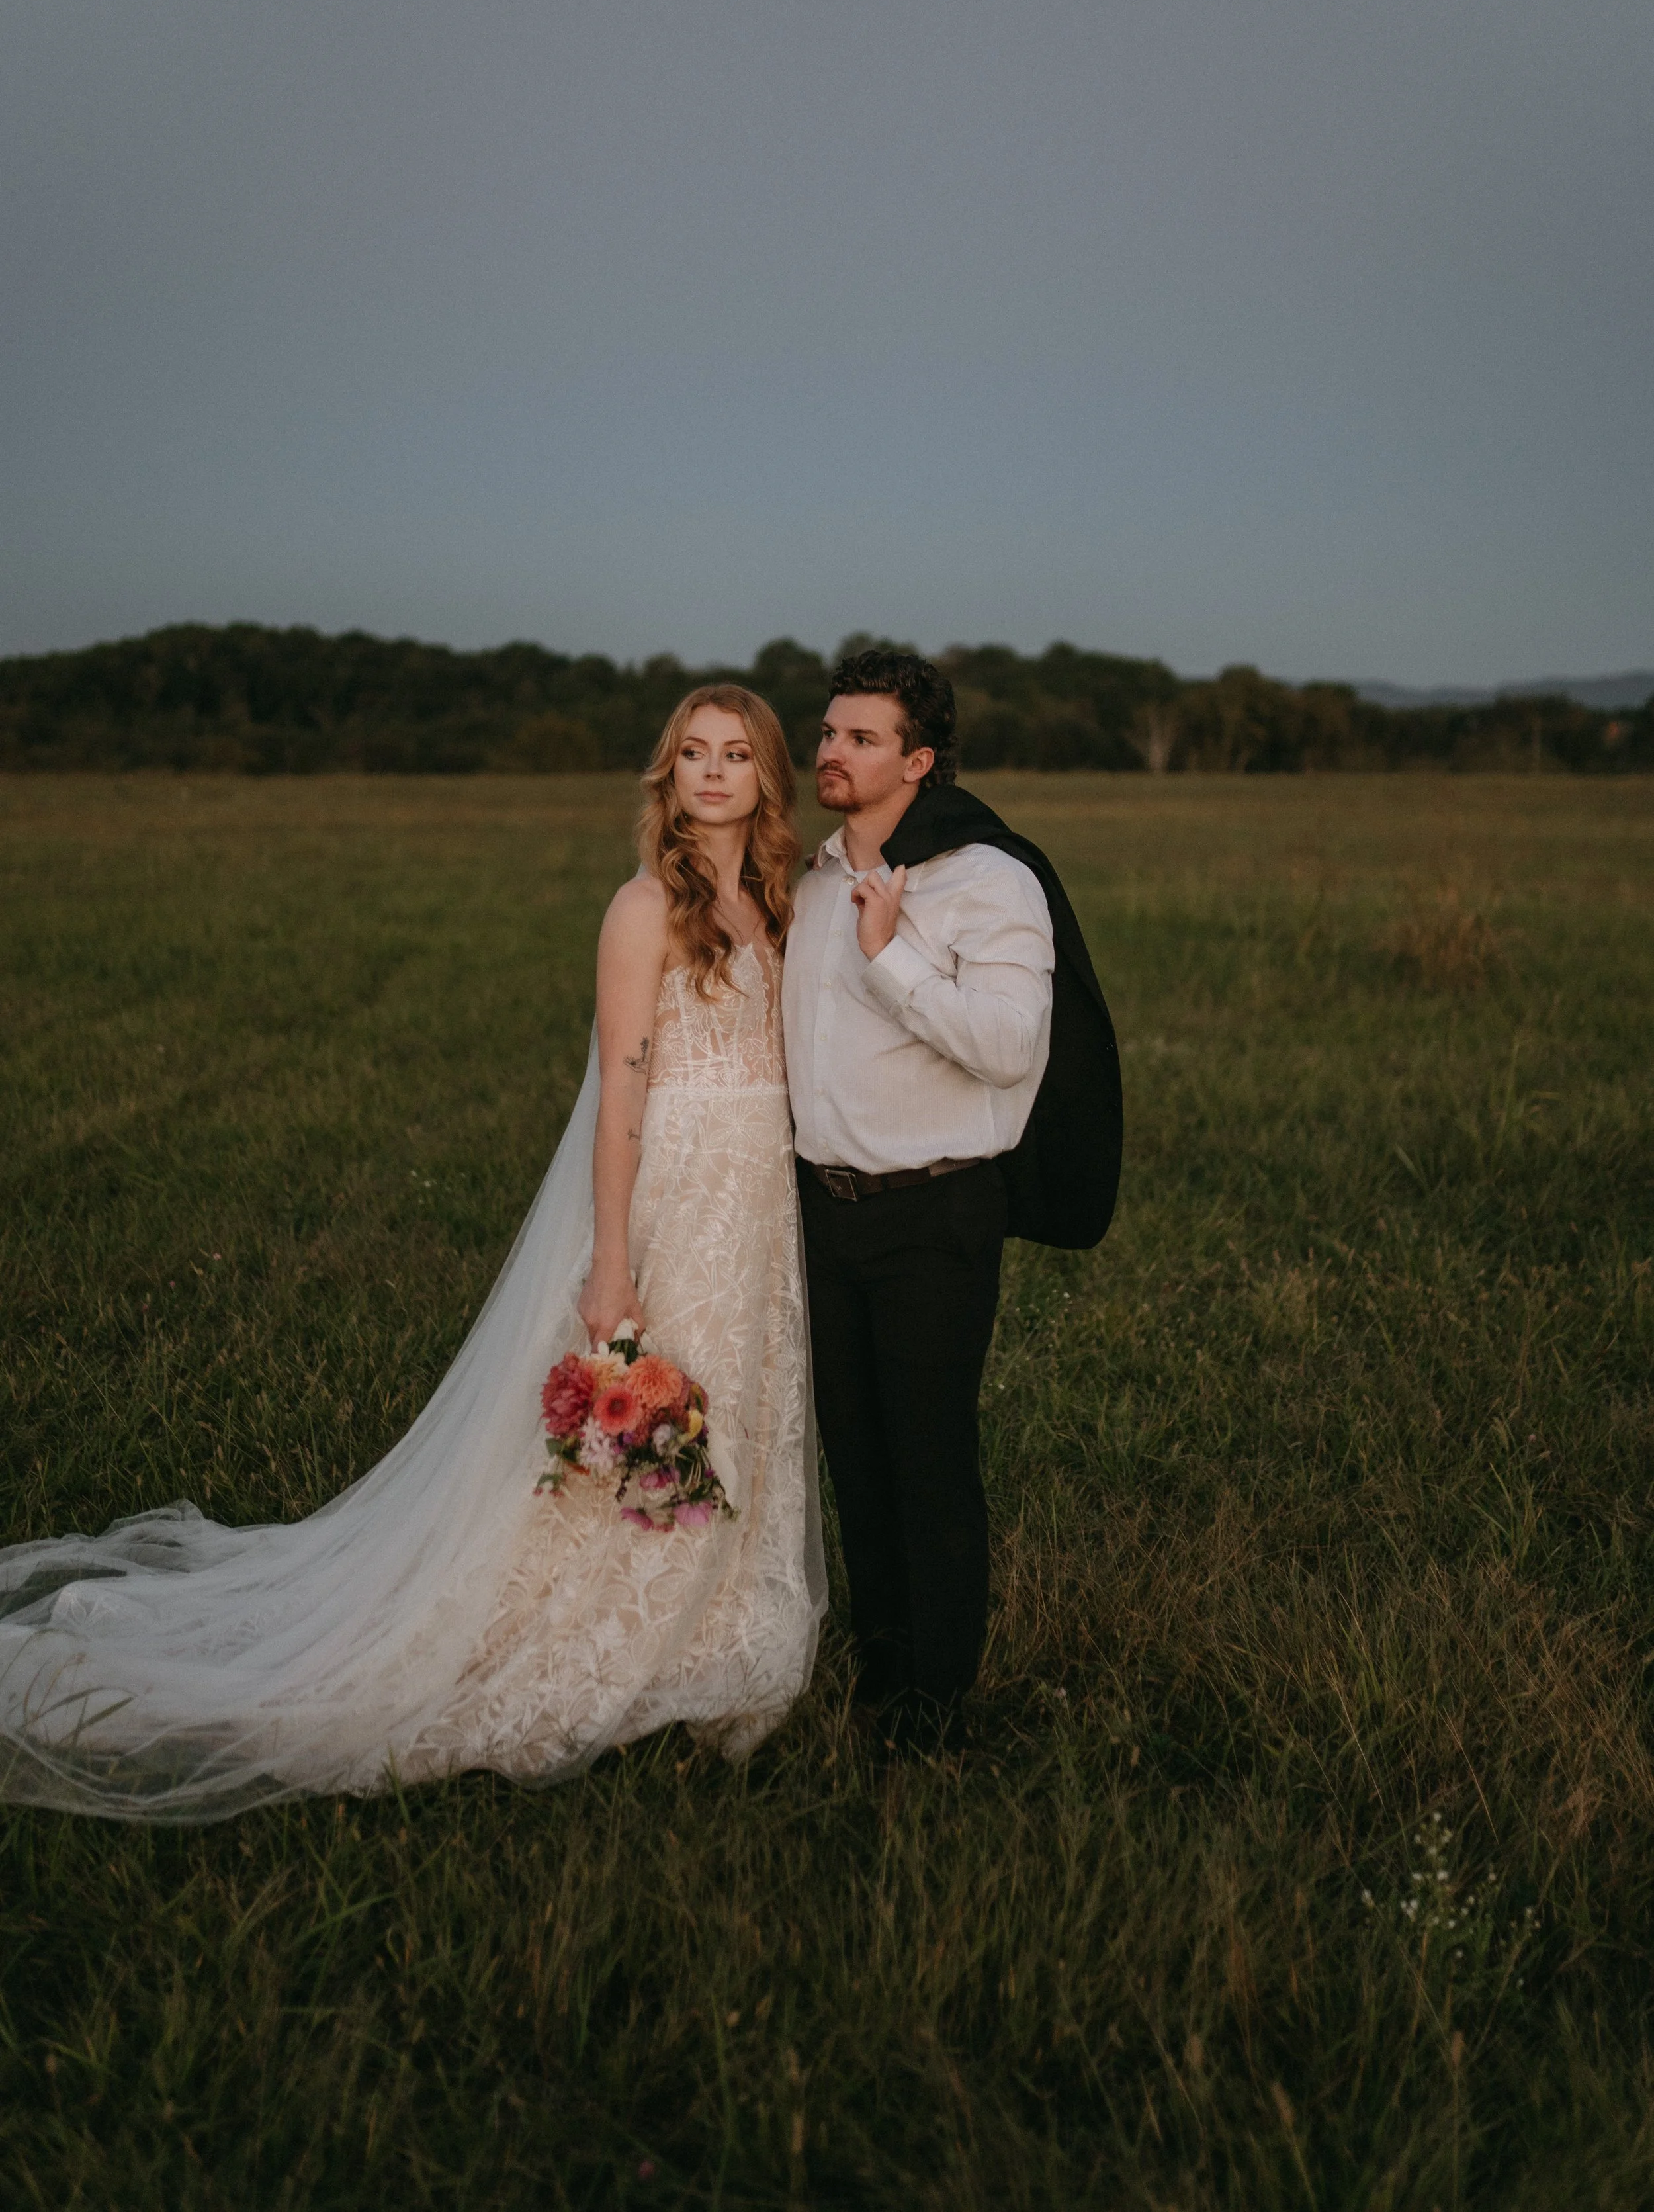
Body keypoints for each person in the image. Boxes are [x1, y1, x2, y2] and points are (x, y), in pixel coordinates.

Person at [0, 687, 825, 1819]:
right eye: (695, 753)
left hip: (758, 1206)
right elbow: (622, 1086)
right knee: (651, 1405)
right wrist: (613, 1259)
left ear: (768, 777)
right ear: (668, 773)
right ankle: (606, 1636)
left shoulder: (782, 903)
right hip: (676, 1189)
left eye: (738, 755)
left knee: (744, 1399)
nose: (716, 774)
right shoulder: (645, 907)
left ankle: (723, 1625)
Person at [783, 649, 1120, 1754]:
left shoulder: (989, 880)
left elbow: (1010, 1045)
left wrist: (894, 961)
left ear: (919, 760)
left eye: (862, 737)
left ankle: (935, 1704)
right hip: (821, 1212)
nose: (832, 751)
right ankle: (880, 1664)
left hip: (934, 1214)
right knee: (855, 1453)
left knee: (927, 1455)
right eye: (829, 731)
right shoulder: (816, 876)